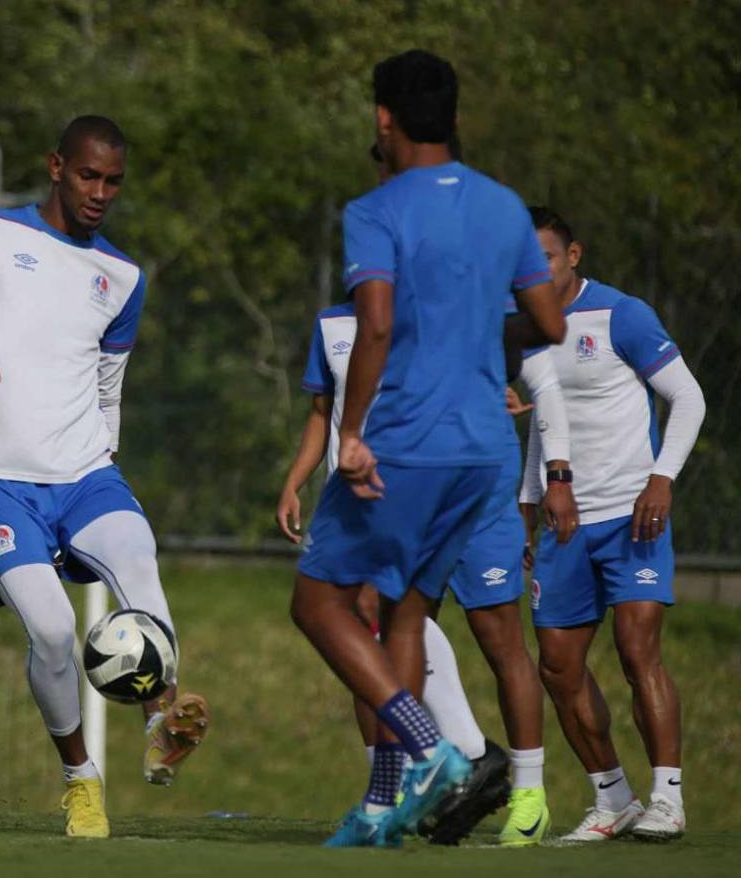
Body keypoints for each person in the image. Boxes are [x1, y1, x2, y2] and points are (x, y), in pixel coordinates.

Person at [288, 49, 565, 848]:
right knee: (406, 610)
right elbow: (547, 323)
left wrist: (350, 433)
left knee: (321, 602)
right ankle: (386, 804)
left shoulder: (376, 210)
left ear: (384, 119)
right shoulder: (506, 206)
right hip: (484, 448)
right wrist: (471, 332)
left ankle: (429, 746)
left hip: (409, 440)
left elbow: (373, 323)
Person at [0, 115, 209, 839]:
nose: (101, 192)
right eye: (88, 176)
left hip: (84, 474)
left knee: (139, 556)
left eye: (113, 181)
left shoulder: (123, 278)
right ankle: (81, 781)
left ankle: (161, 716)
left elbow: (109, 389)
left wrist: (105, 456)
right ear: (55, 166)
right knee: (50, 632)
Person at [520, 206, 705, 842]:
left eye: (543, 256)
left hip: (633, 514)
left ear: (573, 256)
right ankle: (613, 796)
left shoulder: (621, 314)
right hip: (563, 523)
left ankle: (668, 798)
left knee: (636, 650)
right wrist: (527, 508)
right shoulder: (523, 327)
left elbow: (688, 397)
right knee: (557, 666)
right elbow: (541, 427)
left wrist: (662, 479)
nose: (533, 269)